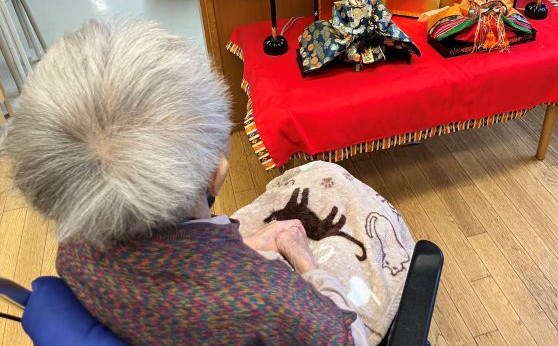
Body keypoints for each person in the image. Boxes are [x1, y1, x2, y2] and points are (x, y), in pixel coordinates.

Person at [2, 20, 374, 345]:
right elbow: (347, 339)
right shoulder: (272, 302)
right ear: (216, 173)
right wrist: (303, 259)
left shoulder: (73, 252)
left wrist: (243, 246)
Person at [298, 0, 420, 73]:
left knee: (390, 34)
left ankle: (400, 49)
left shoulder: (371, 2)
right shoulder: (342, 6)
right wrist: (353, 31)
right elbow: (337, 24)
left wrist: (376, 25)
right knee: (341, 48)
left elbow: (384, 14)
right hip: (352, 37)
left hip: (370, 35)